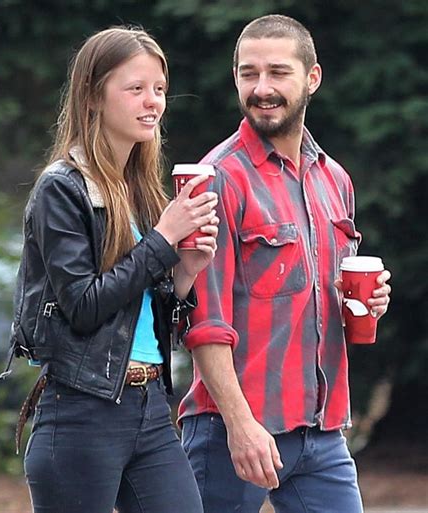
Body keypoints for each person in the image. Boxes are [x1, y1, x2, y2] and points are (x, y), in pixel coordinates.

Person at [178, 14, 392, 513]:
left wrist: (366, 303)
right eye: (249, 74)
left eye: (278, 73)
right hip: (230, 432)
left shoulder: (334, 179)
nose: (262, 88)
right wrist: (239, 424)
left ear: (311, 78)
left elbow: (320, 298)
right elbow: (204, 322)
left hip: (321, 434)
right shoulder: (219, 181)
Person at [5, 26, 219, 513]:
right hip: (81, 411)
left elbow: (144, 310)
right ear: (93, 96)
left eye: (160, 90)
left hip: (149, 410)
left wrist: (185, 269)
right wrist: (163, 241)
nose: (153, 102)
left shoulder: (141, 190)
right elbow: (82, 306)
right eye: (136, 88)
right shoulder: (62, 189)